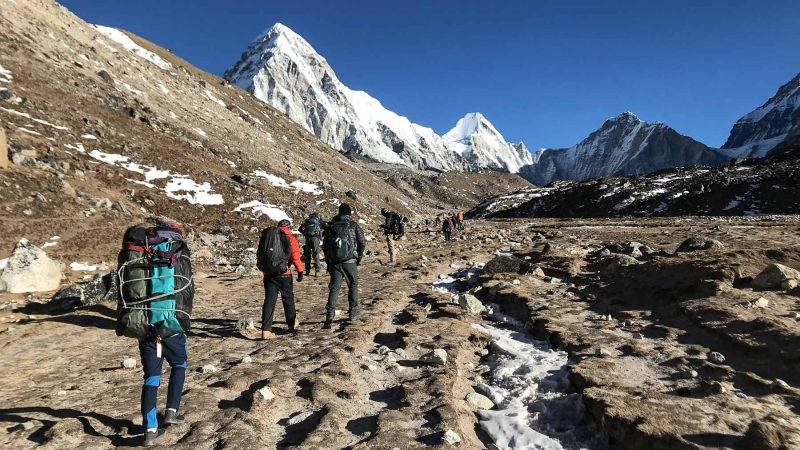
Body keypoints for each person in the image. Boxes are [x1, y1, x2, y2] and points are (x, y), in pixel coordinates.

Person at [256, 219, 304, 339]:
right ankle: (291, 325)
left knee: (269, 301)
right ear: (289, 227)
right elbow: (295, 256)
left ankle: (265, 331)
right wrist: (300, 271)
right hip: (284, 273)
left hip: (269, 273)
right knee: (288, 298)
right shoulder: (290, 238)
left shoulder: (270, 237)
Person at [323, 203, 365, 329]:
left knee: (334, 288)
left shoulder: (331, 226)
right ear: (349, 213)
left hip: (335, 262)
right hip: (350, 261)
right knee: (353, 284)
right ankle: (353, 312)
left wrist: (329, 260)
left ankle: (329, 315)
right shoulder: (353, 225)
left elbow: (325, 245)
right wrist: (359, 256)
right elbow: (362, 242)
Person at [299, 212, 323, 277]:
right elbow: (325, 226)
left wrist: (305, 234)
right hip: (315, 238)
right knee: (315, 254)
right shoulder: (318, 221)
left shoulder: (307, 222)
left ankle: (307, 271)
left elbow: (300, 228)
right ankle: (317, 270)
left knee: (308, 255)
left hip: (308, 238)